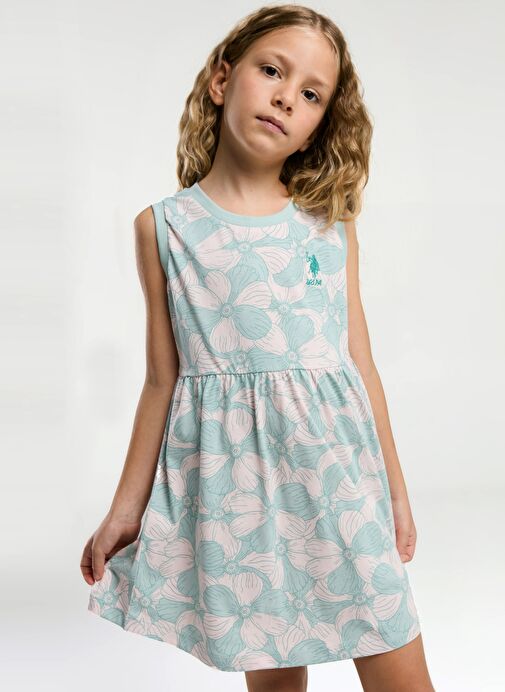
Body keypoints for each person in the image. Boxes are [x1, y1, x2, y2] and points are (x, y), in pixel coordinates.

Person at [81, 4, 435, 690]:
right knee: (273, 678)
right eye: (272, 71)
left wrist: (394, 492)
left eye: (311, 94)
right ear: (222, 80)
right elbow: (161, 379)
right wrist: (125, 510)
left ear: (318, 125)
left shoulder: (328, 224)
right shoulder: (164, 228)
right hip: (236, 495)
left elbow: (359, 363)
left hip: (337, 482)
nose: (285, 97)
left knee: (396, 660)